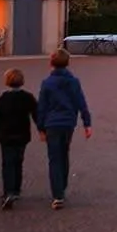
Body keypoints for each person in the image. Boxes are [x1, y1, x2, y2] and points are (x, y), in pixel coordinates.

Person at [36, 49, 92, 210]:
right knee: (64, 154)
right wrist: (87, 123)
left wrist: (40, 127)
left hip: (51, 123)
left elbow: (42, 107)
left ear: (51, 63)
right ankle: (62, 186)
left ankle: (57, 193)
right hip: (68, 123)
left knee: (54, 158)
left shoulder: (47, 83)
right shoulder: (73, 81)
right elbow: (81, 102)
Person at [0, 67, 38, 210]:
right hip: (22, 134)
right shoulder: (28, 97)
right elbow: (36, 114)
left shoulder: (3, 98)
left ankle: (8, 191)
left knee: (7, 164)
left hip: (6, 135)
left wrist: (0, 134)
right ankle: (16, 189)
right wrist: (41, 128)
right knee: (18, 162)